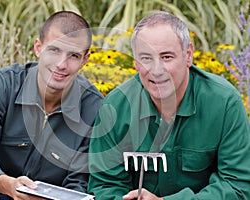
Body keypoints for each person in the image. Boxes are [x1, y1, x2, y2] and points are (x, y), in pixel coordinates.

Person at [87, 11, 250, 200]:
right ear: (136, 63)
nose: (156, 71)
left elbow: (238, 185)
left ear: (188, 55)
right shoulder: (115, 107)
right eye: (146, 58)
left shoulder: (224, 103)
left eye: (166, 57)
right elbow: (104, 185)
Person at [0, 11, 103, 199]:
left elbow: (80, 182)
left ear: (84, 60)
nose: (62, 64)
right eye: (54, 50)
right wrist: (7, 184)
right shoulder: (4, 84)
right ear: (38, 48)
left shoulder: (93, 108)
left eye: (73, 55)